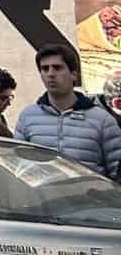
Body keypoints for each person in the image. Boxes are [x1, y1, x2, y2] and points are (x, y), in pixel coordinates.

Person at [14, 42, 121, 177]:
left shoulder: (103, 121)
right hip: (41, 196)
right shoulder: (27, 117)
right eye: (45, 69)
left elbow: (116, 173)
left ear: (74, 75)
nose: (50, 74)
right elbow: (17, 166)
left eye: (57, 68)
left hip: (89, 196)